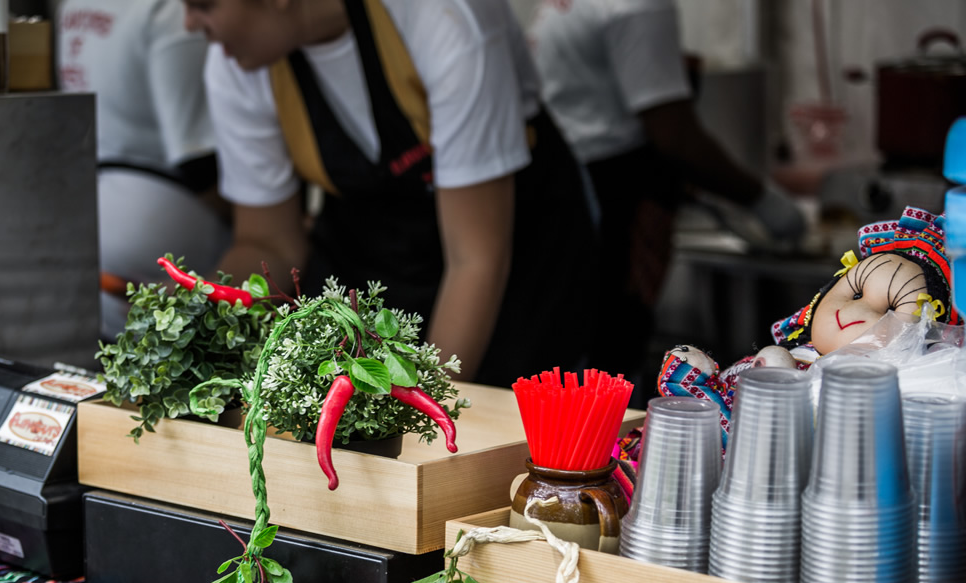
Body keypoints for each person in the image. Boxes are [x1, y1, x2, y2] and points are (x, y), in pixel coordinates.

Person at [181, 0, 601, 387]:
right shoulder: (240, 62)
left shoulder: (444, 18)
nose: (189, 24)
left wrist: (422, 403)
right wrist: (192, 326)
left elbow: (476, 259)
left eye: (203, 4)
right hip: (374, 248)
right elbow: (270, 242)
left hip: (511, 255)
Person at [528, 0, 807, 399]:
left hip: (567, 184)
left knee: (577, 345)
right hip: (611, 196)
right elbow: (674, 134)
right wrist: (763, 200)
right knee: (608, 351)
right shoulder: (638, 6)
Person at [659, 206, 956, 445]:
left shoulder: (852, 407)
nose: (855, 309)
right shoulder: (802, 354)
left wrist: (689, 383)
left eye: (891, 308)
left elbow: (748, 445)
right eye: (855, 292)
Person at [56, 0, 231, 339]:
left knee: (125, 370)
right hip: (166, 214)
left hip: (92, 212)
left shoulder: (72, 5)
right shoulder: (169, 9)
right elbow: (196, 157)